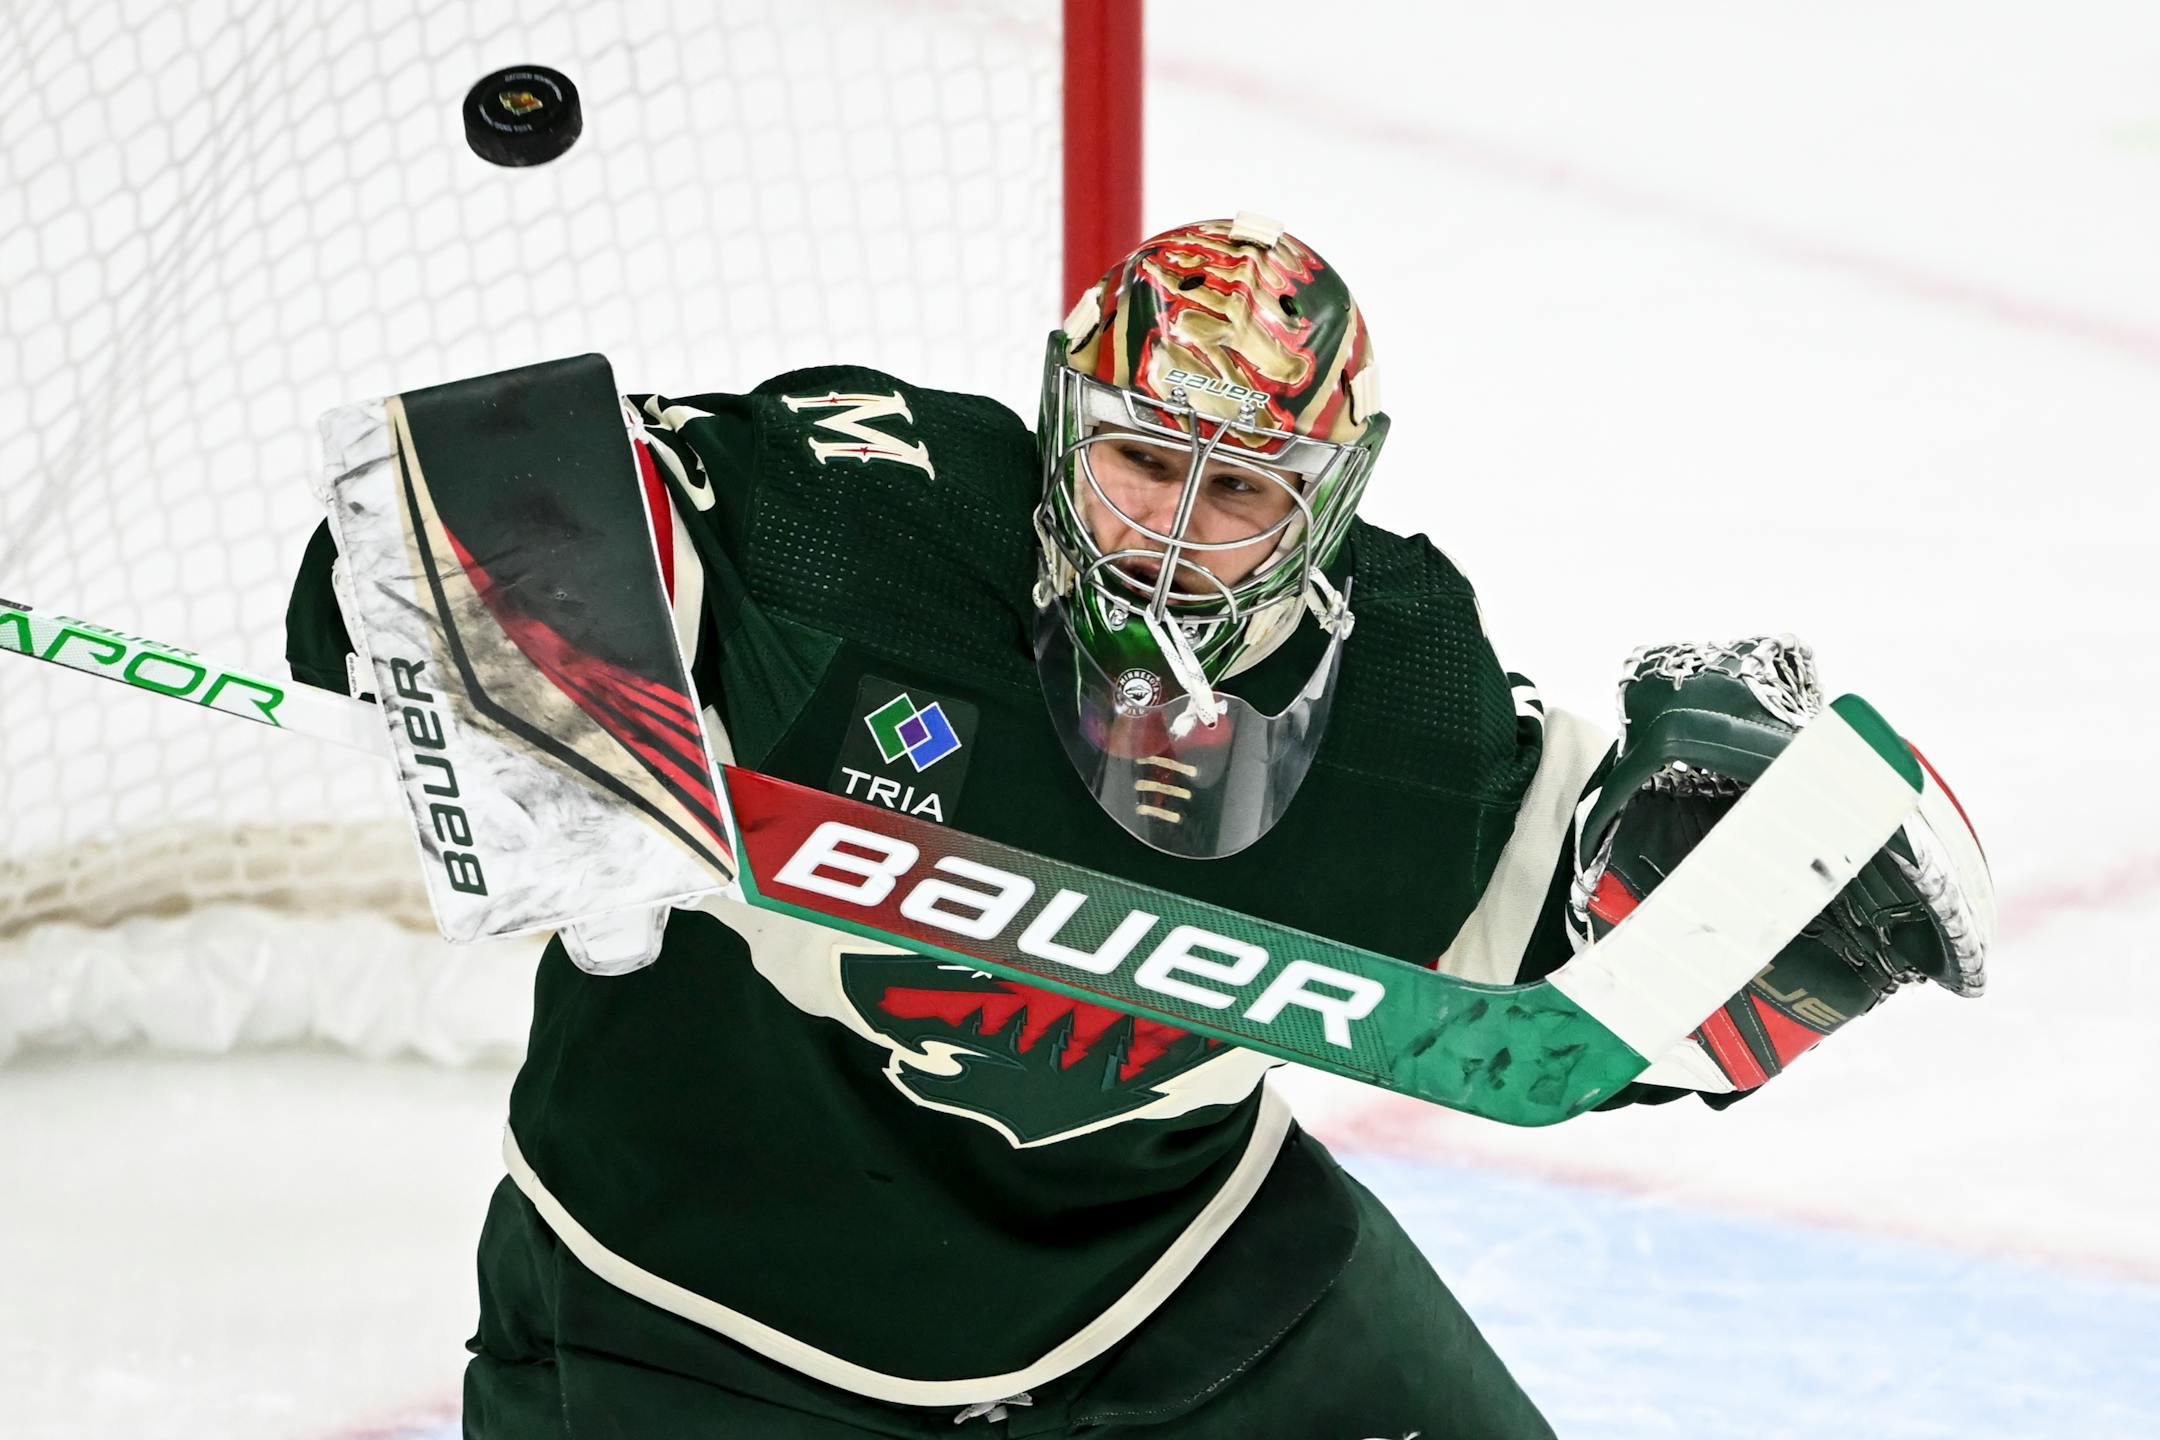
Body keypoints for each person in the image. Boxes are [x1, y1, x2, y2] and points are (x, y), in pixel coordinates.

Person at [285, 214, 1987, 1437]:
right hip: (691, 1308)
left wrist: (1744, 888)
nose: (1173, 533)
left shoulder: (1407, 693)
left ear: (1331, 497)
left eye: (1238, 489)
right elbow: (472, 495)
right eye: (1141, 463)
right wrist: (535, 658)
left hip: (1176, 1278)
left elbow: (1568, 990)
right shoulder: (853, 525)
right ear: (1060, 424)